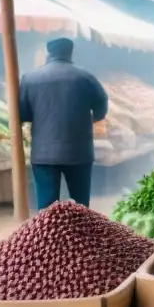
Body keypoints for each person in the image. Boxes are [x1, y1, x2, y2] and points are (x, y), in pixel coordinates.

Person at [19, 38, 109, 209]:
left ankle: (47, 236)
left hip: (44, 153)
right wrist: (92, 119)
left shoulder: (29, 78)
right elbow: (102, 103)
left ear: (48, 52)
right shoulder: (85, 77)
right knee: (81, 208)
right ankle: (81, 235)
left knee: (46, 211)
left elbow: (22, 113)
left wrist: (40, 118)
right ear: (70, 52)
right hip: (79, 152)